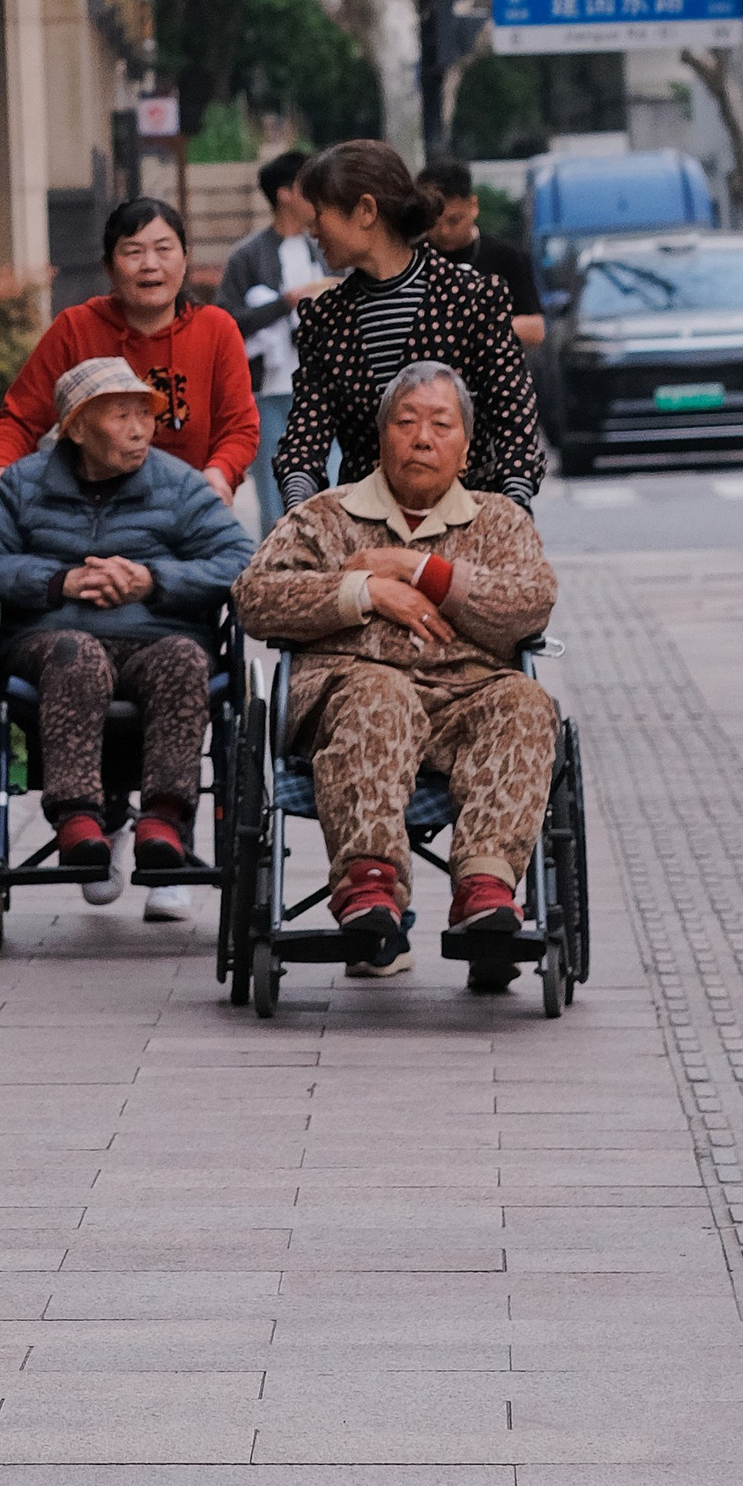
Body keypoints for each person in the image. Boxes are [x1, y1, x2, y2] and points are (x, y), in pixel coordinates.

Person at [234, 359, 558, 980]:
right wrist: (363, 592)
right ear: (382, 438)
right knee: (379, 690)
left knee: (525, 701)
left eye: (442, 423)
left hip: (466, 697)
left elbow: (531, 601)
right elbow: (256, 596)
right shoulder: (324, 516)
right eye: (406, 422)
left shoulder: (499, 521)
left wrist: (418, 571)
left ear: (466, 447)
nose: (423, 437)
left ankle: (485, 889)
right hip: (350, 698)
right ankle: (370, 883)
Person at [0, 352, 252, 923]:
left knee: (185, 660)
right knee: (77, 654)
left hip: (157, 636)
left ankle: (164, 821)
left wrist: (152, 581)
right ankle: (79, 820)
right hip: (53, 640)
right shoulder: (22, 486)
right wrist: (56, 580)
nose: (141, 430)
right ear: (78, 426)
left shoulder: (178, 486)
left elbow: (244, 563)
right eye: (121, 416)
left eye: (146, 414)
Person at [275, 139, 546, 516]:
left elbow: (514, 418)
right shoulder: (326, 319)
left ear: (365, 211)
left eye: (320, 214)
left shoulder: (470, 300)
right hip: (366, 525)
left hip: (467, 520)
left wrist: (513, 508)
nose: (313, 231)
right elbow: (306, 437)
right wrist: (298, 509)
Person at [0, 193, 260, 502]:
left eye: (164, 249)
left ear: (185, 259)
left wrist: (219, 475)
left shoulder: (216, 329)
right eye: (133, 252)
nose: (150, 264)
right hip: (91, 511)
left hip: (188, 508)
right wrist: (0, 473)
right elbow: (19, 419)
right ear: (109, 267)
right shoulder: (76, 328)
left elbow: (239, 428)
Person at [217, 146, 333, 511]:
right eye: (308, 186)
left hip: (324, 388)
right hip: (267, 391)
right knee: (275, 499)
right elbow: (227, 322)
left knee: (330, 496)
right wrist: (284, 303)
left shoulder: (328, 247)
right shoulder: (248, 255)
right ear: (285, 193)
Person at [416, 160, 546, 348]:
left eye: (454, 220)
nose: (444, 231)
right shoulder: (412, 258)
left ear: (473, 206)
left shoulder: (506, 257)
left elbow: (535, 329)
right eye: (433, 222)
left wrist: (474, 327)